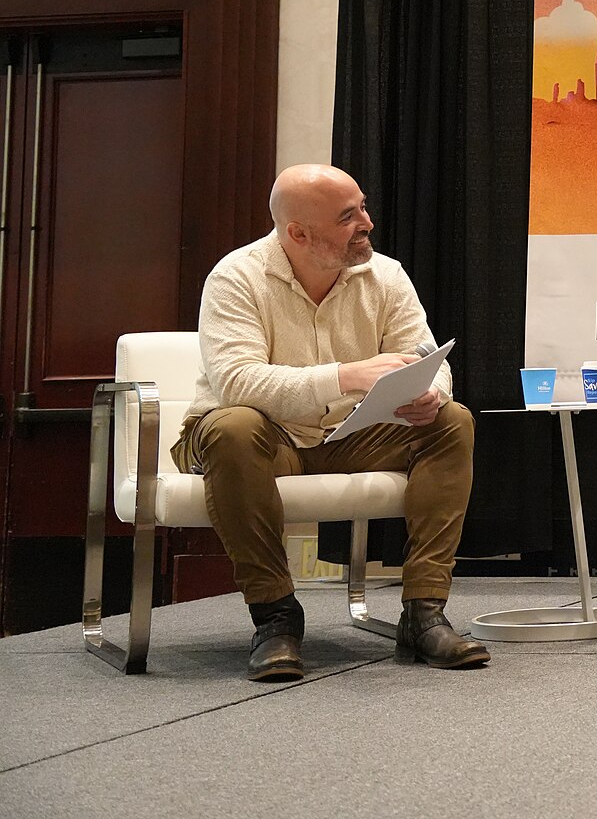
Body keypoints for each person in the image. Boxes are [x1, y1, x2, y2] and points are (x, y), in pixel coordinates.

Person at [177, 164, 490, 681]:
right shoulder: (236, 277)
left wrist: (429, 394)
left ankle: (423, 613)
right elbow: (237, 383)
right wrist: (345, 376)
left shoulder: (386, 276)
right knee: (231, 426)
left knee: (451, 420)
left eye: (363, 207)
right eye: (348, 216)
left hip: (350, 436)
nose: (367, 222)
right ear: (298, 233)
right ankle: (275, 617)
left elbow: (428, 356)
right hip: (264, 437)